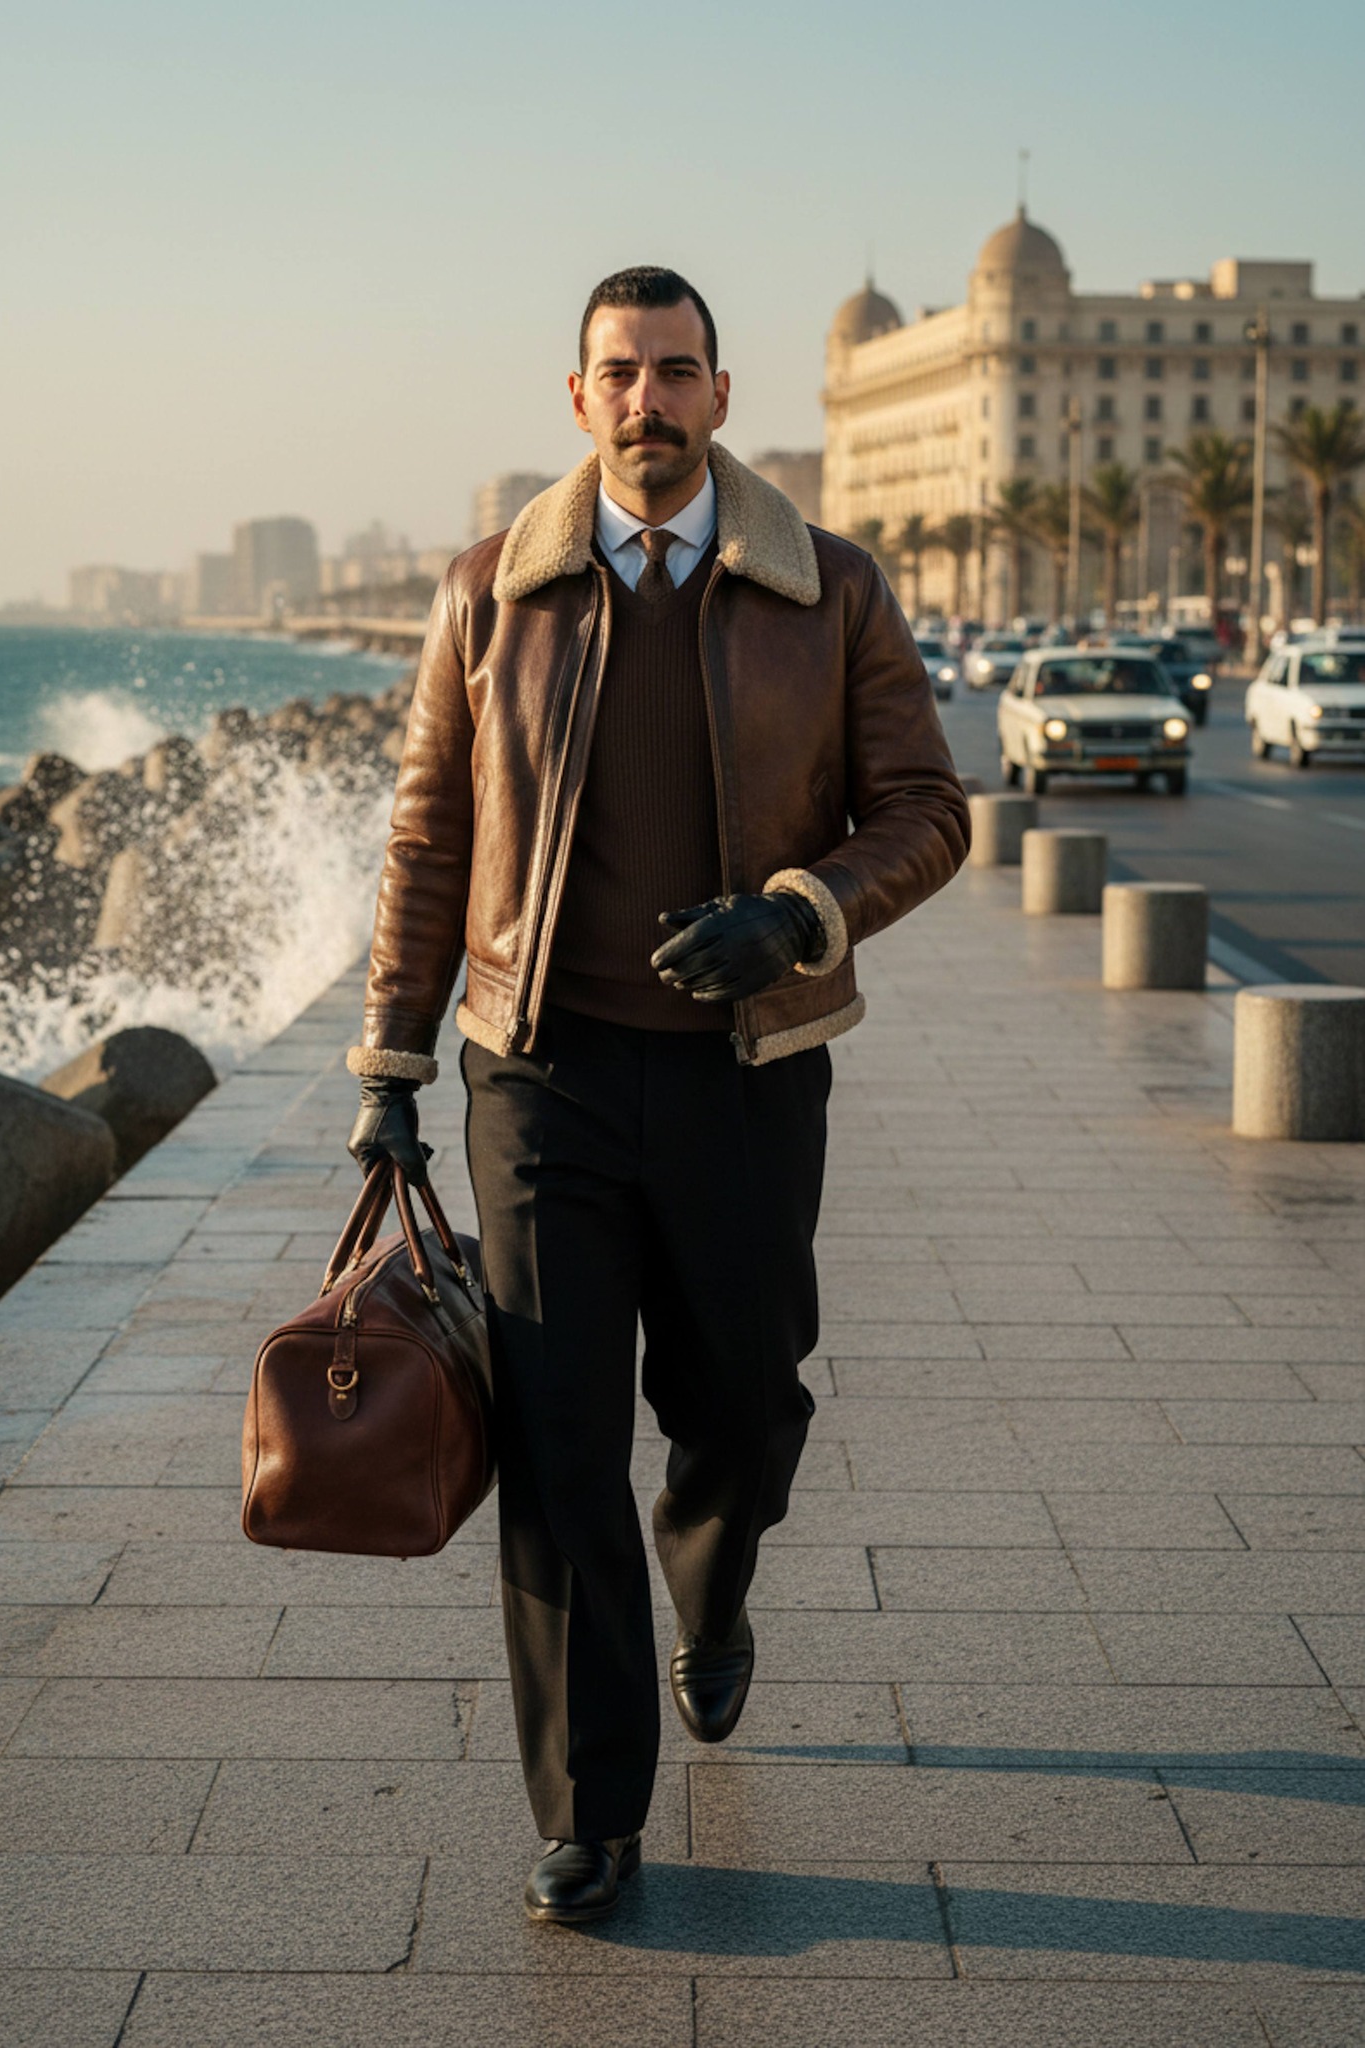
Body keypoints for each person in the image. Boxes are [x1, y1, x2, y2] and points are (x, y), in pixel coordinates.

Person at [347, 266, 969, 1924]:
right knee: (560, 1448)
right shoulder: (492, 592)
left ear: (718, 391)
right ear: (578, 398)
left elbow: (927, 804)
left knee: (746, 1409)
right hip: (537, 1074)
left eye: (676, 373)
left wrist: (801, 910)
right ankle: (590, 1808)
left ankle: (717, 1575)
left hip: (750, 1079)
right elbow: (426, 843)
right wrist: (392, 1066)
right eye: (618, 374)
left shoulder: (824, 587)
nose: (649, 403)